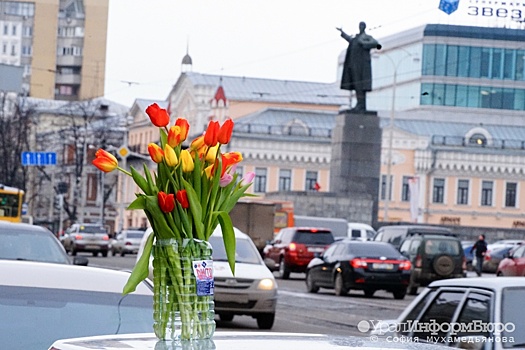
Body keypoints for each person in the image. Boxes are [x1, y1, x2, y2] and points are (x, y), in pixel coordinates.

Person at [337, 22, 381, 112]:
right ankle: (359, 104)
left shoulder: (366, 37)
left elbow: (376, 44)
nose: (360, 27)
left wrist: (363, 43)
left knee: (361, 86)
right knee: (357, 86)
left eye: (362, 26)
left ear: (364, 27)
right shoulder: (355, 38)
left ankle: (361, 105)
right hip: (353, 65)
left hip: (362, 67)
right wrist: (342, 32)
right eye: (359, 26)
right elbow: (349, 39)